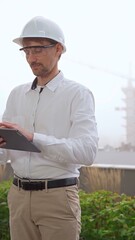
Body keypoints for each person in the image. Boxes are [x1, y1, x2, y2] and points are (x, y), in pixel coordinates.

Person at [0, 16, 98, 240]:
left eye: (37, 50)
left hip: (58, 198)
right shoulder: (16, 94)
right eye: (26, 51)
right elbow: (5, 153)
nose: (30, 58)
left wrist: (33, 137)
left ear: (58, 49)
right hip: (18, 197)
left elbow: (87, 152)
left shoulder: (78, 94)